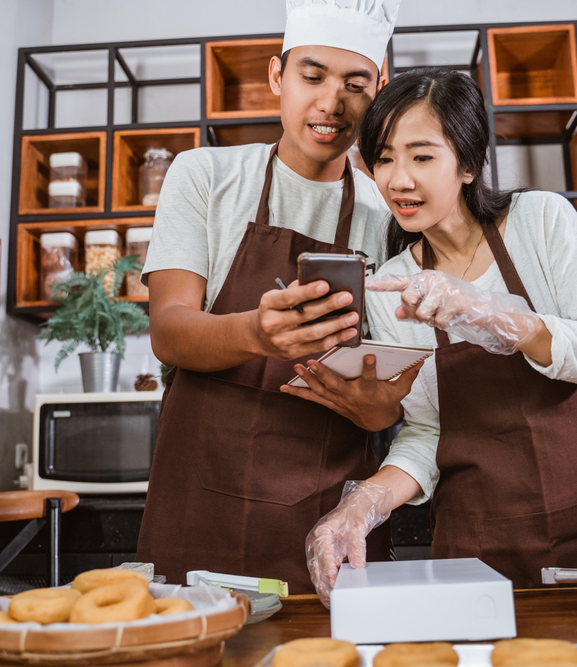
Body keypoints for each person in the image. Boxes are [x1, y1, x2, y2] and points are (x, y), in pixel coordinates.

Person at [302, 68, 577, 603]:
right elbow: (429, 433)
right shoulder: (394, 284)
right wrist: (363, 504)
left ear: (467, 162)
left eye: (422, 155)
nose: (398, 179)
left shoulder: (540, 220)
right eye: (384, 158)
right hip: (481, 548)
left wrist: (495, 315)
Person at [134, 0, 416, 594]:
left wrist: (376, 408)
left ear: (380, 91)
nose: (330, 104)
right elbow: (169, 330)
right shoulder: (204, 177)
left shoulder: (388, 213)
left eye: (355, 85)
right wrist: (255, 334)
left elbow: (391, 403)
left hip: (325, 515)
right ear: (276, 76)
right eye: (311, 77)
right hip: (199, 500)